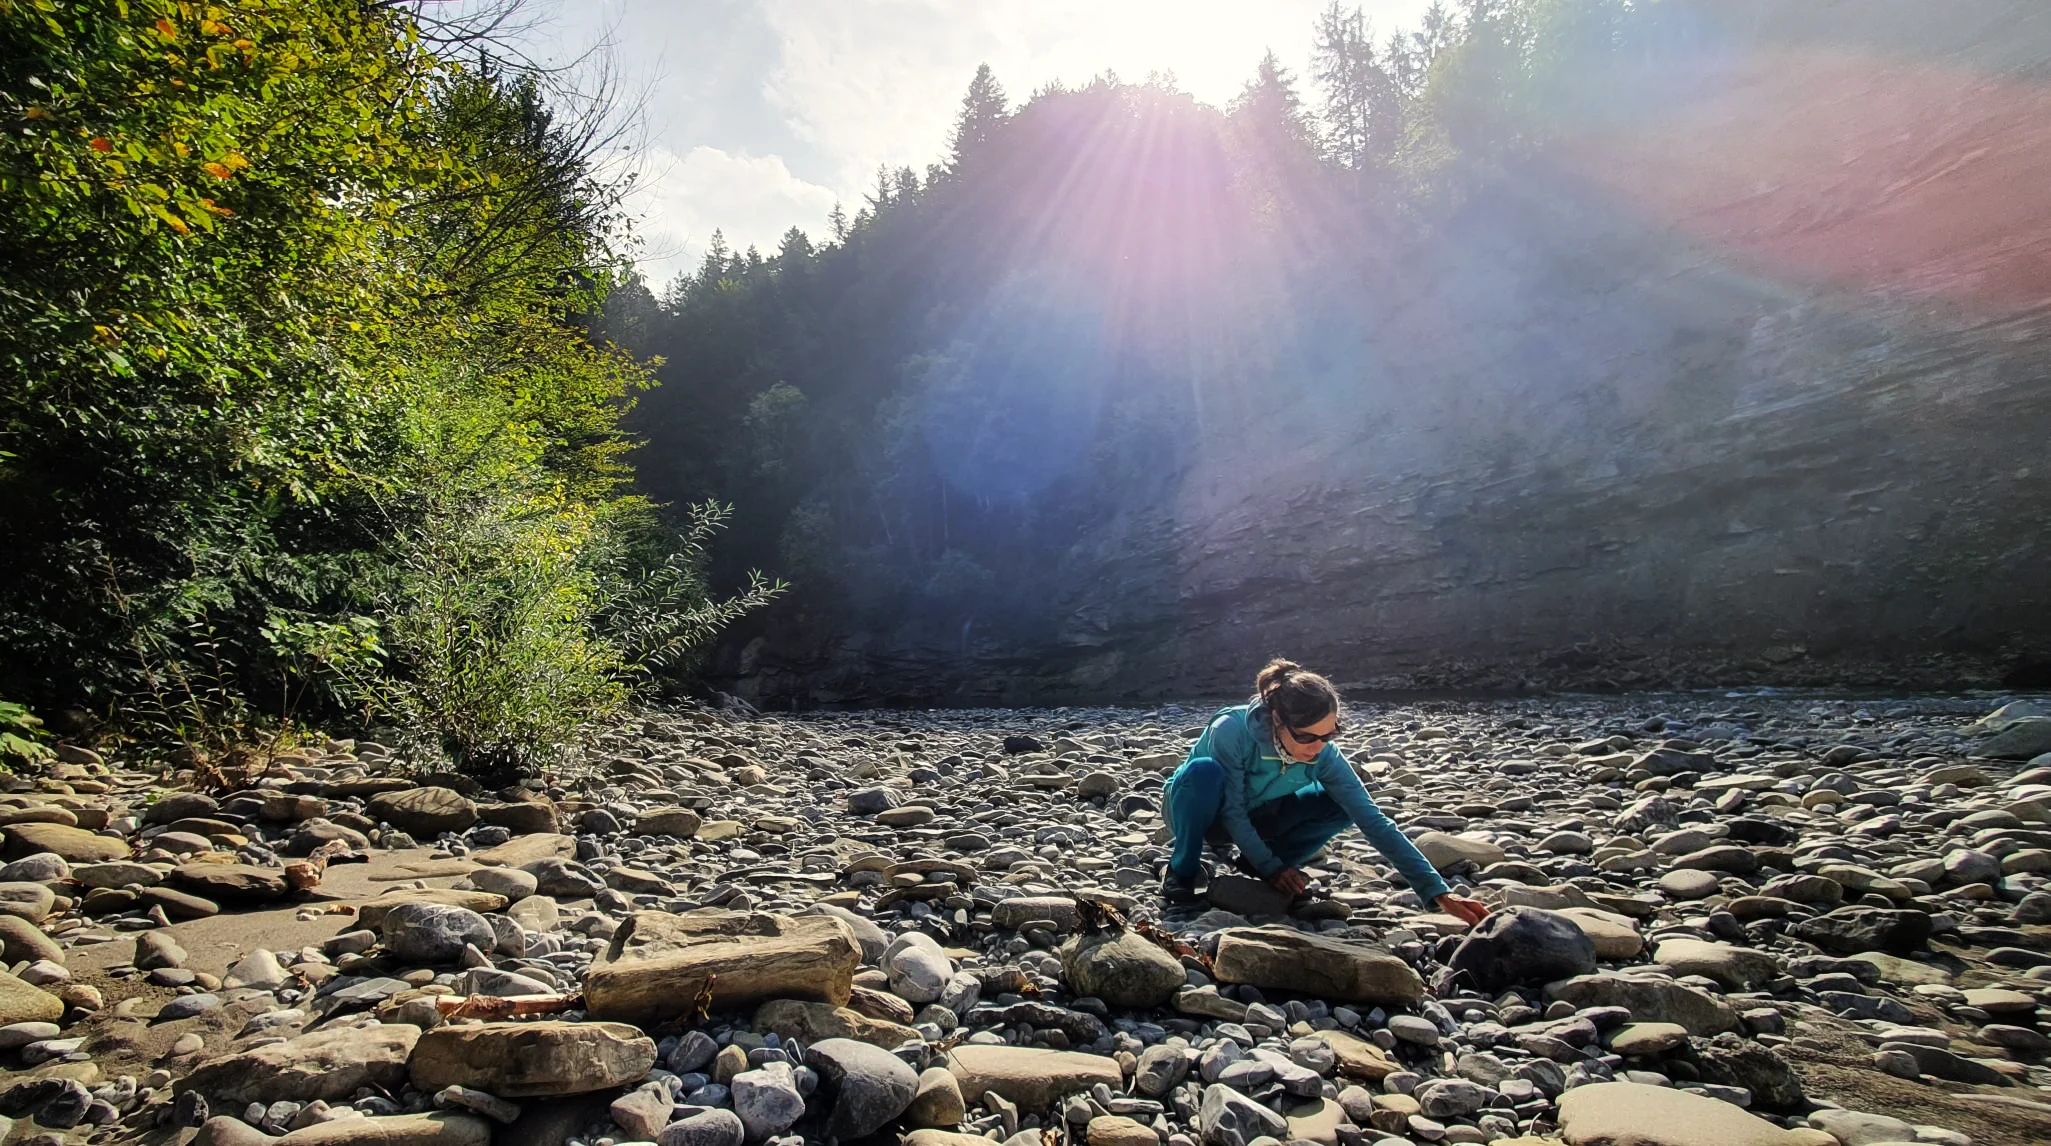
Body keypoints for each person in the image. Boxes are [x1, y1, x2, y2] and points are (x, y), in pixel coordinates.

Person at [1161, 658, 1491, 925]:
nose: (1318, 747)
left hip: (1257, 815)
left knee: (1340, 804)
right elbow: (1230, 810)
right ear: (1277, 719)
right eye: (1306, 737)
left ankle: (1259, 863)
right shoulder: (1231, 732)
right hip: (1198, 811)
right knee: (1203, 772)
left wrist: (1437, 891)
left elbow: (1373, 820)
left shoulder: (1323, 754)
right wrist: (1271, 869)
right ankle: (1182, 870)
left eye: (1329, 735)